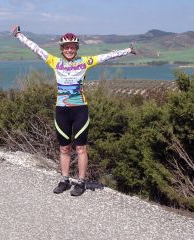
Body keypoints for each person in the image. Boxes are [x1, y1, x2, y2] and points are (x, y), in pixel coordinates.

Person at [11, 25, 136, 196]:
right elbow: (36, 48)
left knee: (81, 148)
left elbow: (106, 56)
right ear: (62, 49)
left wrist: (128, 50)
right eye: (66, 47)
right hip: (61, 110)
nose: (69, 50)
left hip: (79, 111)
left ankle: (81, 182)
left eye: (72, 47)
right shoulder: (54, 62)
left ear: (76, 49)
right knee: (64, 148)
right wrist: (19, 35)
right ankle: (64, 180)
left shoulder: (85, 62)